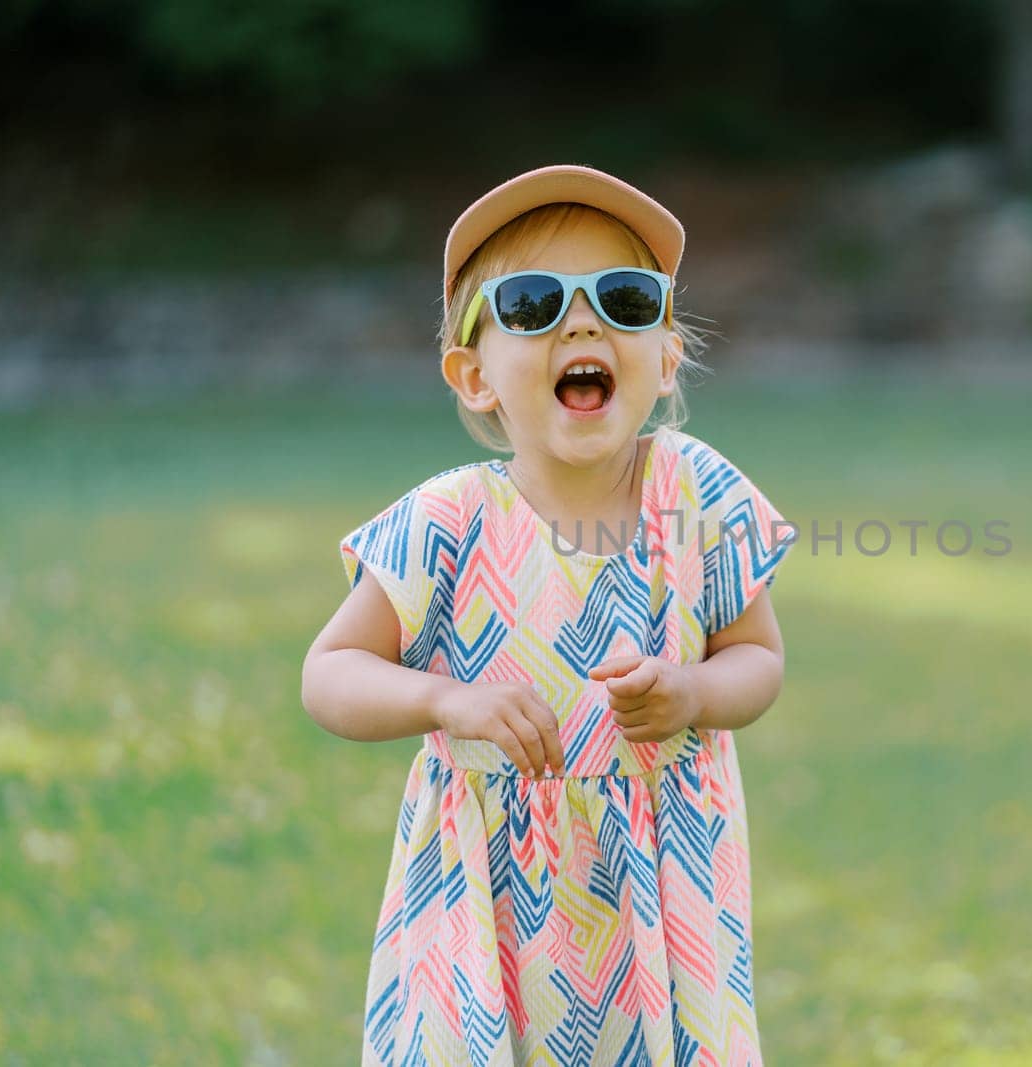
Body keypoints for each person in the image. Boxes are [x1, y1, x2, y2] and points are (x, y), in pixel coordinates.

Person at [301, 163, 796, 1066]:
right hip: (487, 901)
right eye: (531, 303)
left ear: (667, 351)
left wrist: (691, 689)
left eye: (624, 297)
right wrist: (446, 701)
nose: (582, 320)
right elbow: (329, 674)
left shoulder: (698, 494)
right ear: (473, 373)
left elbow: (759, 660)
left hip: (664, 893)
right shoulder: (448, 519)